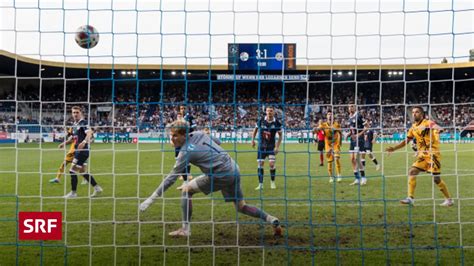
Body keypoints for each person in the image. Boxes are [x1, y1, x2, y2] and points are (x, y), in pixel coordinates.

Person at [139, 120, 282, 237]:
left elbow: (171, 178)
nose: (172, 139)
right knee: (241, 207)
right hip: (233, 168)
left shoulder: (185, 152)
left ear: (184, 135)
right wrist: (205, 136)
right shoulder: (199, 133)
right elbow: (218, 141)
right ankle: (271, 219)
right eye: (171, 135)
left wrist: (151, 198)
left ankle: (185, 230)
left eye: (175, 135)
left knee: (186, 190)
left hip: (221, 174)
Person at [385, 106, 453, 206]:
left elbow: (439, 128)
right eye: (413, 112)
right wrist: (394, 148)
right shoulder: (413, 127)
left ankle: (449, 200)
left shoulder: (427, 122)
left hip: (433, 155)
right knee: (412, 171)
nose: (414, 114)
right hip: (422, 156)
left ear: (421, 114)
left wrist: (436, 131)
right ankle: (410, 198)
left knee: (436, 179)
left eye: (416, 112)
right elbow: (406, 141)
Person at [64, 106, 103, 198]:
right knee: (82, 171)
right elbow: (73, 138)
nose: (75, 114)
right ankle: (97, 188)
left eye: (77, 112)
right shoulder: (75, 124)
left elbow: (89, 133)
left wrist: (84, 142)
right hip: (78, 151)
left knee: (72, 171)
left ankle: (73, 193)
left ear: (80, 113)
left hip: (83, 151)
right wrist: (64, 143)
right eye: (73, 112)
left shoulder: (83, 122)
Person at [251, 106, 283, 190]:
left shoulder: (277, 123)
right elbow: (255, 130)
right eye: (268, 111)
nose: (269, 112)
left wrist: (277, 147)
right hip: (261, 146)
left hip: (271, 147)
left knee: (271, 164)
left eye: (271, 111)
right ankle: (260, 184)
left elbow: (280, 136)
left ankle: (272, 182)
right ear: (266, 111)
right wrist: (252, 140)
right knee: (260, 164)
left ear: (273, 112)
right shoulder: (261, 121)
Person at [316, 111, 342, 183]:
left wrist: (340, 142)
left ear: (333, 116)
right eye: (328, 114)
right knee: (330, 162)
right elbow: (318, 129)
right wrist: (316, 129)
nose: (330, 115)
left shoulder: (336, 124)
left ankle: (339, 175)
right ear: (326, 116)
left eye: (331, 114)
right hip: (328, 144)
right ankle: (331, 177)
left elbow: (340, 132)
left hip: (336, 144)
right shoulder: (323, 125)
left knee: (336, 159)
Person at [347, 104, 367, 186]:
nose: (350, 107)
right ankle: (357, 179)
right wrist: (349, 134)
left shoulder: (359, 116)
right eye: (349, 106)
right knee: (352, 159)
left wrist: (358, 135)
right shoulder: (350, 117)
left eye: (352, 106)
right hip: (352, 140)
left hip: (359, 140)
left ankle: (363, 177)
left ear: (355, 107)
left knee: (357, 158)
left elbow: (366, 127)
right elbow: (352, 129)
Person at [175, 105, 196, 181]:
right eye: (181, 108)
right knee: (178, 157)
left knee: (186, 156)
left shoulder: (190, 117)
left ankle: (188, 174)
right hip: (178, 140)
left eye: (184, 108)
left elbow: (194, 127)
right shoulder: (178, 117)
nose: (182, 110)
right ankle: (181, 174)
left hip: (187, 139)